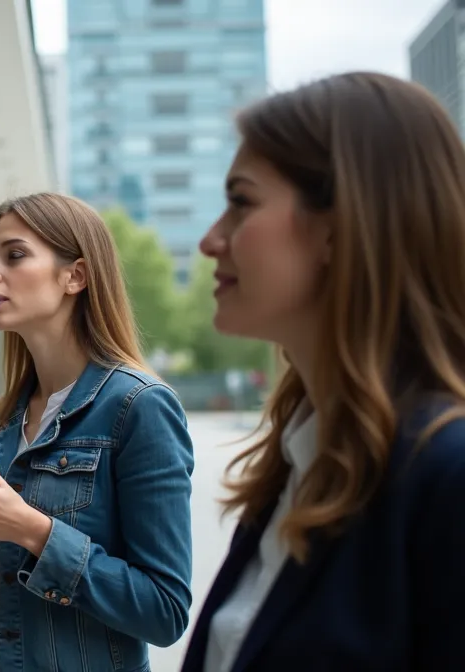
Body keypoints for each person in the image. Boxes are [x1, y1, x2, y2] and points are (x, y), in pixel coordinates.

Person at [179, 72, 465, 672]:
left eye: (241, 202)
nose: (211, 240)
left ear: (341, 226)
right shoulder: (297, 466)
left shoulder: (448, 475)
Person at [0, 193, 196, 671]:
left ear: (75, 276)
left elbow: (165, 611)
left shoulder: (139, 408)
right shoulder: (3, 419)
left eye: (14, 255)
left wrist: (34, 532)